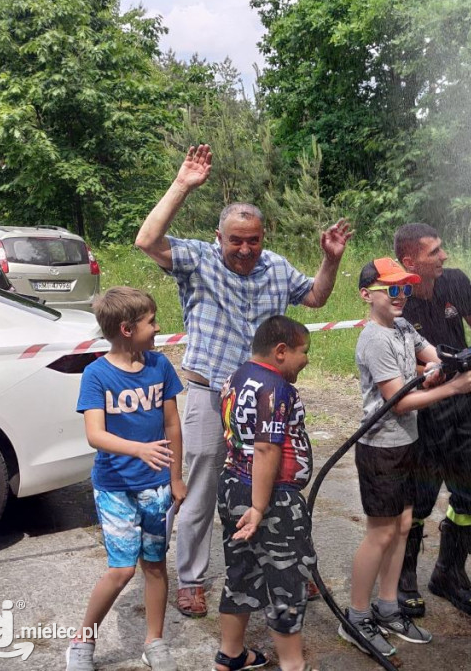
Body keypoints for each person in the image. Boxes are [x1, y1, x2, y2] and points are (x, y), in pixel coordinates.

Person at [135, 144, 352, 617]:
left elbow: (314, 297)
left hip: (265, 401)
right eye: (236, 240)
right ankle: (190, 579)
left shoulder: (274, 265)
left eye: (253, 239)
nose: (246, 249)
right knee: (200, 488)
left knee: (277, 483)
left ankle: (289, 566)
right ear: (220, 237)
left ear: (263, 235)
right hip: (210, 392)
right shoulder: (198, 259)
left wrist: (331, 259)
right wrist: (183, 185)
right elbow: (147, 240)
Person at [340, 257, 471, 658]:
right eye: (392, 289)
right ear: (368, 295)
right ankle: (356, 616)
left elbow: (431, 353)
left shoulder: (402, 327)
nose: (402, 296)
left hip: (406, 444)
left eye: (405, 289)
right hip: (381, 449)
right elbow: (399, 402)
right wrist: (451, 389)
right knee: (381, 533)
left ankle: (388, 607)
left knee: (402, 526)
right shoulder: (375, 339)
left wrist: (444, 363)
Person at [66, 287, 186, 671]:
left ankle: (155, 641)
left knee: (154, 563)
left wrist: (177, 477)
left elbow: (172, 424)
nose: (158, 327)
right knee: (121, 570)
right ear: (126, 328)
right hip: (115, 487)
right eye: (151, 321)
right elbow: (94, 435)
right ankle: (82, 643)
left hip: (157, 488)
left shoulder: (160, 366)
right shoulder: (96, 374)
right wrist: (139, 449)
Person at [393, 223, 471, 618]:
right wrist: (433, 365)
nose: (444, 257)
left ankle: (449, 573)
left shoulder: (455, 282)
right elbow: (397, 351)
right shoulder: (397, 297)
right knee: (417, 500)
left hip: (463, 403)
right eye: (435, 252)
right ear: (410, 261)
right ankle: (405, 579)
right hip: (423, 409)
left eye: (442, 250)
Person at [215, 316, 317, 671]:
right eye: (303, 352)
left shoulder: (235, 378)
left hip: (232, 487)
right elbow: (265, 448)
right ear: (280, 351)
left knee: (241, 571)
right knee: (287, 580)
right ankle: (293, 664)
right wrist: (260, 507)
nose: (306, 359)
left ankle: (231, 654)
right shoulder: (276, 388)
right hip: (271, 500)